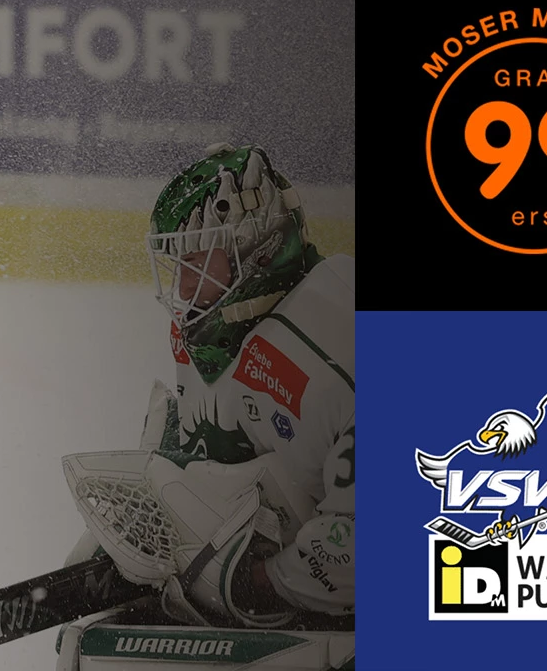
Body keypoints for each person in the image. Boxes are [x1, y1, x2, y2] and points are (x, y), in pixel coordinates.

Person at [55, 144, 353, 670]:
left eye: (194, 263)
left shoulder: (339, 337)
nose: (182, 288)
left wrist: (265, 582)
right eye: (176, 266)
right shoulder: (213, 324)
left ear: (258, 249)